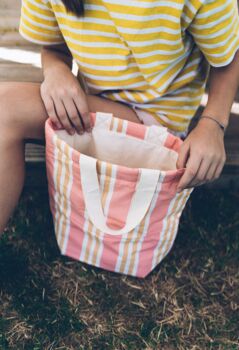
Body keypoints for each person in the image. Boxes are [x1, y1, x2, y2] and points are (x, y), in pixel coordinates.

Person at [0, 0, 238, 234]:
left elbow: (231, 53)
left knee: (6, 108)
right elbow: (54, 45)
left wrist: (213, 124)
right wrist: (56, 71)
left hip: (156, 128)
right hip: (91, 109)